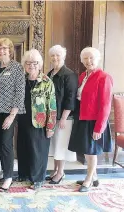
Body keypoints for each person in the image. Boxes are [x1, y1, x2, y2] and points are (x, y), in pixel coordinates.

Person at [68, 47, 113, 192]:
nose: (88, 61)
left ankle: (88, 180)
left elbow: (106, 105)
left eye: (91, 58)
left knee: (91, 152)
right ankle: (94, 177)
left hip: (94, 121)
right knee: (87, 150)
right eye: (86, 58)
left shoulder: (104, 77)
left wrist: (99, 127)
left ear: (97, 59)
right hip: (82, 118)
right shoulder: (82, 76)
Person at [17, 49, 57, 190]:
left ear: (40, 64)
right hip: (22, 119)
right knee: (23, 148)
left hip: (39, 121)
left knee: (38, 150)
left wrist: (50, 127)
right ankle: (24, 173)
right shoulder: (21, 79)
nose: (31, 65)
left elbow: (52, 105)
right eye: (28, 63)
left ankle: (38, 178)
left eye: (34, 63)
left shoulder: (46, 82)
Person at [0, 38, 25, 191]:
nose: (2, 51)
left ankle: (9, 177)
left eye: (5, 48)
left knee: (5, 143)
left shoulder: (17, 67)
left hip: (9, 112)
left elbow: (20, 92)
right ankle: (5, 171)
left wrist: (12, 115)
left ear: (10, 50)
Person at [46, 45, 78, 184]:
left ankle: (61, 172)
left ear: (63, 56)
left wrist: (64, 117)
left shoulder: (69, 75)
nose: (55, 58)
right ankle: (55, 169)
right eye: (53, 55)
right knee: (55, 144)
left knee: (61, 145)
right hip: (53, 116)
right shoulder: (50, 74)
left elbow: (71, 98)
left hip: (64, 117)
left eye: (58, 55)